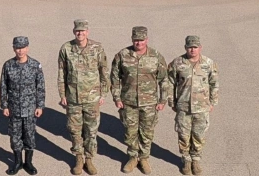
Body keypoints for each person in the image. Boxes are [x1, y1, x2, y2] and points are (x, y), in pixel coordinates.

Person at [110, 27, 167, 174]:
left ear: (146, 40)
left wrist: (162, 100)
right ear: (132, 39)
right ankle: (133, 157)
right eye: (136, 40)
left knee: (147, 132)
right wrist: (116, 97)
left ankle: (144, 158)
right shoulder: (122, 55)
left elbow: (164, 80)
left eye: (141, 40)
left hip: (149, 103)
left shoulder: (156, 56)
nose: (139, 43)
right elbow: (115, 78)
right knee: (130, 132)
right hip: (128, 102)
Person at [58, 19, 109, 175]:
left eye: (83, 31)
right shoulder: (66, 48)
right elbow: (62, 73)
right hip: (73, 98)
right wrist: (62, 94)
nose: (80, 33)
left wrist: (103, 93)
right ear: (74, 32)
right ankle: (79, 158)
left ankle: (89, 159)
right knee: (75, 130)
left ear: (88, 31)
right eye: (77, 31)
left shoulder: (97, 48)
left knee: (91, 131)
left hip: (92, 98)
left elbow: (104, 71)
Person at [167, 36, 219, 176]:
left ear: (200, 48)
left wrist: (212, 102)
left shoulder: (208, 63)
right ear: (185, 47)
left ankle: (195, 159)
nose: (192, 50)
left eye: (195, 47)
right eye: (190, 47)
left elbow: (214, 83)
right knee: (183, 135)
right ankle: (186, 160)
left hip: (202, 108)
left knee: (198, 135)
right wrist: (172, 102)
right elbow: (170, 83)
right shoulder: (177, 63)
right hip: (183, 107)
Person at [0, 36, 45, 175]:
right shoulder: (8, 65)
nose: (20, 51)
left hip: (30, 108)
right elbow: (3, 86)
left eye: (23, 47)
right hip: (14, 108)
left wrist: (40, 106)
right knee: (15, 136)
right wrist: (5, 106)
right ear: (14, 49)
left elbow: (40, 87)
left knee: (30, 135)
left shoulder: (35, 65)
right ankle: (17, 162)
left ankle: (29, 162)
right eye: (18, 48)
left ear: (27, 48)